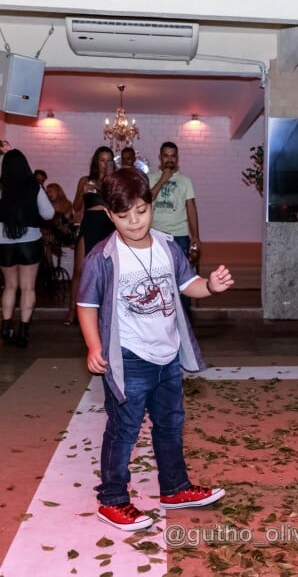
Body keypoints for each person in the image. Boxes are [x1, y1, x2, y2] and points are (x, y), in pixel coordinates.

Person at [76, 167, 233, 531]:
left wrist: (210, 286)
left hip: (167, 356)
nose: (134, 222)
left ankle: (174, 487)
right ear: (110, 215)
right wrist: (93, 345)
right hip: (128, 357)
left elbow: (188, 283)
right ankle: (112, 499)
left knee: (170, 424)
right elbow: (87, 306)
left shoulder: (166, 246)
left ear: (151, 205)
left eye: (141, 211)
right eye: (123, 215)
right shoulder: (103, 256)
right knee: (124, 429)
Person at [0, 149, 55, 347]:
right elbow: (49, 214)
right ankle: (23, 331)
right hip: (30, 241)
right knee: (28, 287)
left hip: (3, 242)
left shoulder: (1, 186)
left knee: (9, 286)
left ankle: (6, 328)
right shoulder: (34, 186)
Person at [149, 142, 201, 316]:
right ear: (160, 157)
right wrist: (163, 180)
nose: (169, 159)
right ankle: (159, 315)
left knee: (182, 279)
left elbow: (191, 208)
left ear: (177, 158)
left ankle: (183, 318)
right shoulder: (150, 178)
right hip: (155, 235)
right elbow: (145, 201)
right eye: (166, 155)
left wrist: (196, 237)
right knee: (156, 279)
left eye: (173, 156)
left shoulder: (185, 181)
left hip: (179, 236)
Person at [66, 147, 116, 325]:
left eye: (108, 160)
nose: (105, 164)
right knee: (79, 270)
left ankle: (102, 311)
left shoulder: (114, 182)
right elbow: (76, 207)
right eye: (102, 160)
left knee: (106, 272)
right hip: (90, 225)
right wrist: (83, 192)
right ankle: (73, 310)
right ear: (96, 161)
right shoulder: (85, 180)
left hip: (109, 227)